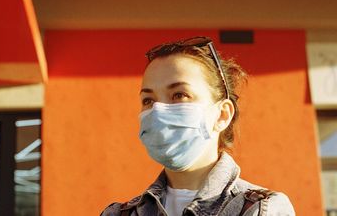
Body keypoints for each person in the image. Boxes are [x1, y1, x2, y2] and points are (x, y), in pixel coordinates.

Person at [101, 37, 295, 216]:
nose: (158, 110)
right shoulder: (118, 213)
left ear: (222, 115)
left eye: (179, 95)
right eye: (148, 100)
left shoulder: (262, 209)